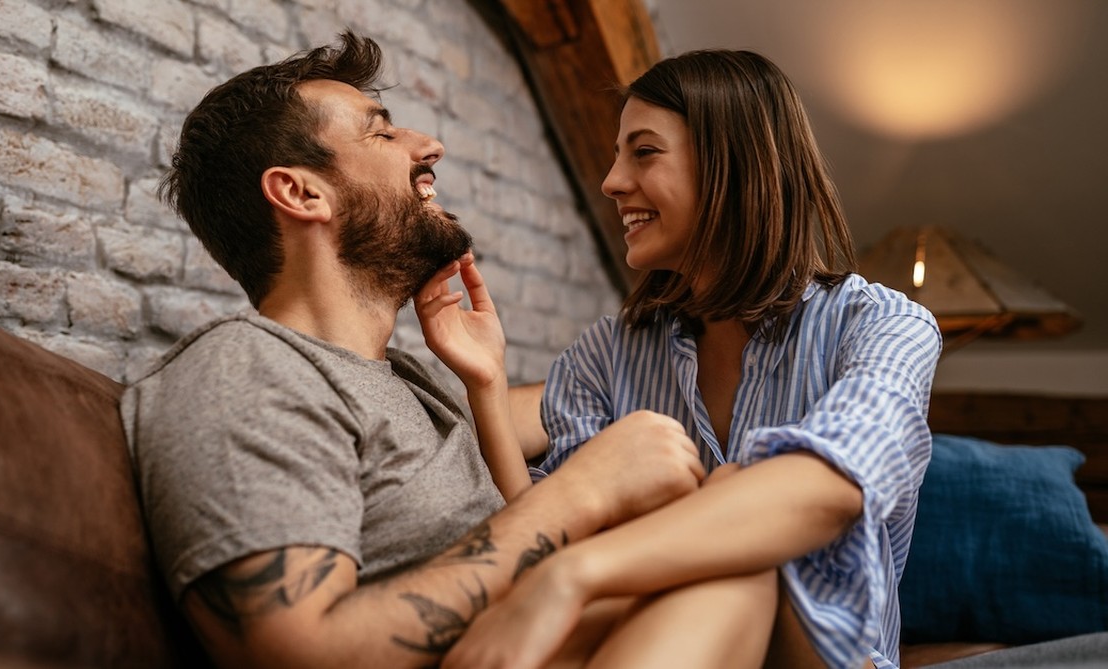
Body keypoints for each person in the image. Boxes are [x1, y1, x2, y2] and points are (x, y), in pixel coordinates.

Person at [120, 31, 723, 669]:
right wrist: (581, 493)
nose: (429, 146)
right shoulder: (242, 371)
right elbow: (299, 651)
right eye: (381, 133)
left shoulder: (404, 381)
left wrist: (488, 382)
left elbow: (548, 472)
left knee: (731, 526)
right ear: (302, 194)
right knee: (723, 568)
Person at [445, 50, 942, 669]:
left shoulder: (887, 327)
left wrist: (575, 574)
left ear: (733, 164)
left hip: (816, 654)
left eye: (644, 151)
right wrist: (488, 384)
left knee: (744, 527)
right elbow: (545, 526)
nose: (611, 180)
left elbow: (829, 490)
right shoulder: (610, 351)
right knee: (723, 538)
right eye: (617, 153)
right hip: (653, 637)